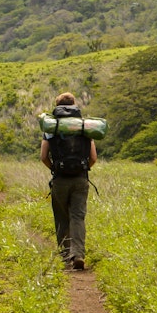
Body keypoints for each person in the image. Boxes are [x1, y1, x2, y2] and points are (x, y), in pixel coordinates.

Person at [40, 92, 97, 270]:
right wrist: (83, 168)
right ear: (74, 106)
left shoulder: (52, 128)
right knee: (78, 217)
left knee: (61, 217)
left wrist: (55, 169)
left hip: (60, 179)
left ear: (57, 106)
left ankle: (65, 256)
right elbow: (93, 157)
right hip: (81, 179)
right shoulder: (85, 127)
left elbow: (43, 156)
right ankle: (78, 254)